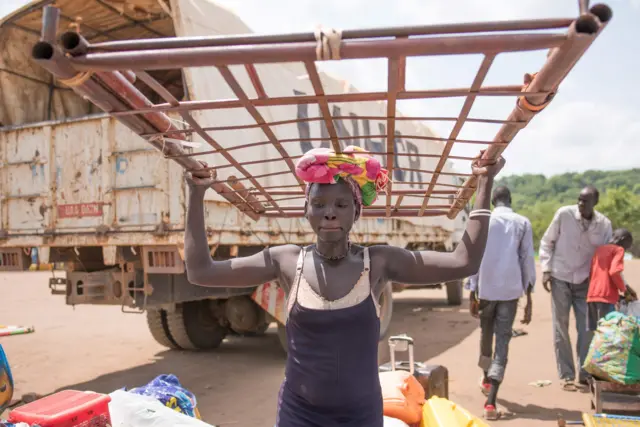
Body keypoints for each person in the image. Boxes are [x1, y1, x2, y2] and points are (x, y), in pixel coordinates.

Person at [184, 145, 505, 427]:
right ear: (305, 209)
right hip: (299, 415)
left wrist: (484, 181)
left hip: (360, 415)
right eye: (319, 203)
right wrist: (197, 192)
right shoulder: (285, 262)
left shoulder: (377, 263)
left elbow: (464, 261)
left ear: (356, 211)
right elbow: (201, 271)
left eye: (341, 204)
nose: (329, 213)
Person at [468, 185, 536, 421]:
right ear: (510, 199)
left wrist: (471, 290)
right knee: (503, 340)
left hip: (486, 290)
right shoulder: (522, 222)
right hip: (510, 291)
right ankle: (491, 402)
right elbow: (527, 259)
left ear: (493, 201)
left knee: (486, 335)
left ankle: (487, 379)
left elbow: (473, 257)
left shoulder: (484, 222)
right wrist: (529, 297)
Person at [539, 185, 612, 392]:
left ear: (595, 203)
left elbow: (609, 254)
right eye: (579, 199)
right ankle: (567, 375)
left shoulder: (604, 224)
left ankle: (585, 374)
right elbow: (547, 242)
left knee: (586, 329)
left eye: (585, 201)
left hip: (586, 282)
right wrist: (546, 269)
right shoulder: (564, 214)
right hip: (560, 276)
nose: (581, 204)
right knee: (560, 327)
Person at [587, 229, 636, 331]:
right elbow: (614, 272)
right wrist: (624, 291)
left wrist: (620, 293)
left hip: (592, 296)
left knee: (598, 334)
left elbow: (595, 274)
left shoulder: (599, 250)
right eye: (627, 246)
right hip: (606, 297)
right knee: (608, 334)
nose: (626, 249)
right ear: (622, 240)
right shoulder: (618, 250)